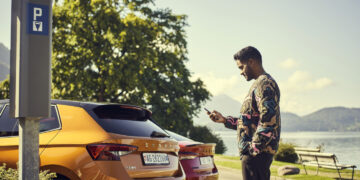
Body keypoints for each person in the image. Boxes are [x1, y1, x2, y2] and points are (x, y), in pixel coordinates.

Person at [207, 46, 281, 180]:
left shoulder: (265, 84)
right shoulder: (259, 84)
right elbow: (251, 121)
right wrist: (224, 120)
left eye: (241, 67)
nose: (241, 72)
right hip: (255, 155)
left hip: (256, 156)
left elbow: (268, 119)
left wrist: (252, 150)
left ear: (251, 62)